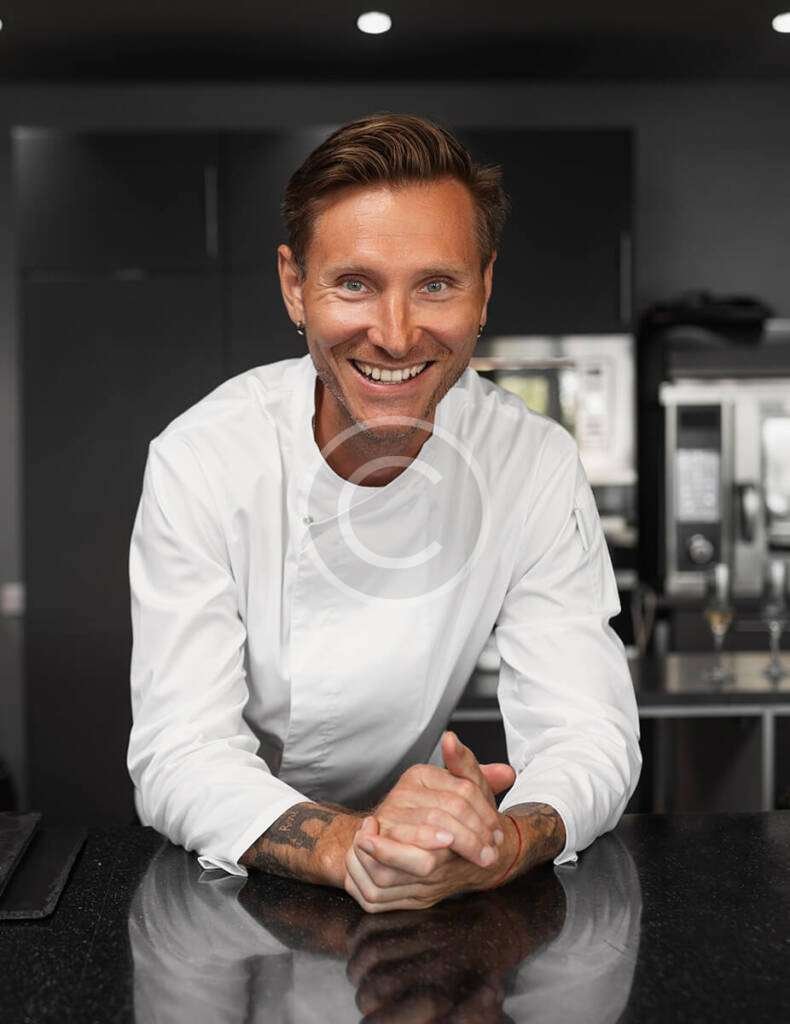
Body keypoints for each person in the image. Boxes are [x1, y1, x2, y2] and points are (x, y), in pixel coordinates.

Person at [127, 112, 641, 914]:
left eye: (435, 284)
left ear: (484, 289)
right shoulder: (202, 459)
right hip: (228, 883)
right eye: (355, 284)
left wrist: (503, 842)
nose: (396, 336)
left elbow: (588, 732)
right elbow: (181, 750)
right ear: (295, 287)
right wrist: (351, 846)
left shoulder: (531, 462)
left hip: (440, 864)